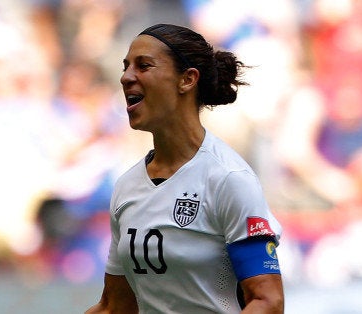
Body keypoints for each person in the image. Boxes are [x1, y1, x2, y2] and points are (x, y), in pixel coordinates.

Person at [85, 24, 284, 313]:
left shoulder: (228, 178)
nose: (126, 77)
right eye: (126, 66)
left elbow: (267, 301)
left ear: (187, 80)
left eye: (144, 66)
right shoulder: (127, 186)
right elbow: (115, 307)